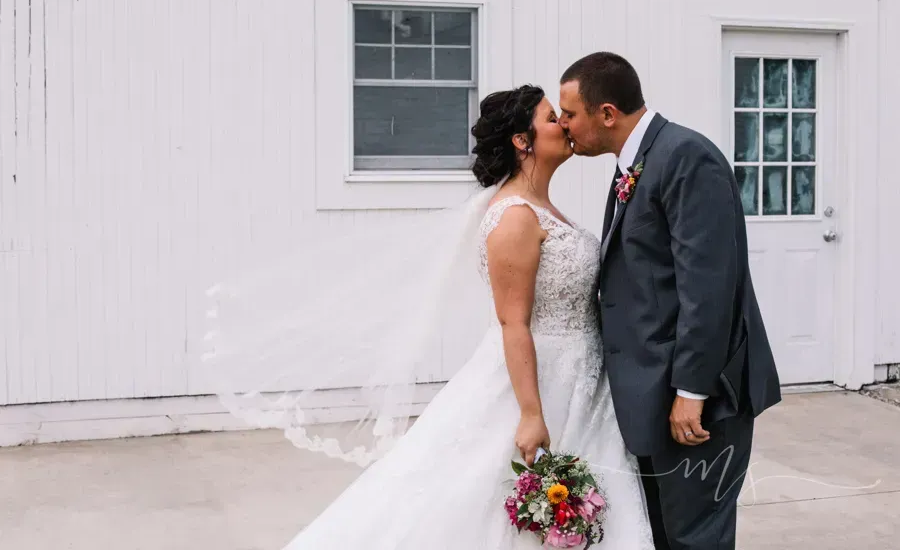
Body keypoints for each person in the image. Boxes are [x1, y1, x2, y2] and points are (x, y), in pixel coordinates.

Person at [203, 84, 654, 548]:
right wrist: (531, 414)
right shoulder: (515, 218)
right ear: (522, 140)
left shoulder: (543, 208)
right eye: (549, 117)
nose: (562, 123)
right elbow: (512, 322)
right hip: (539, 383)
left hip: (583, 380)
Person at [558, 51, 783, 550]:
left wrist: (692, 392)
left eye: (570, 113)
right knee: (663, 535)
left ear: (608, 113)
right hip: (652, 394)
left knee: (694, 538)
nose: (564, 124)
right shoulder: (634, 163)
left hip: (700, 403)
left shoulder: (686, 157)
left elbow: (709, 287)